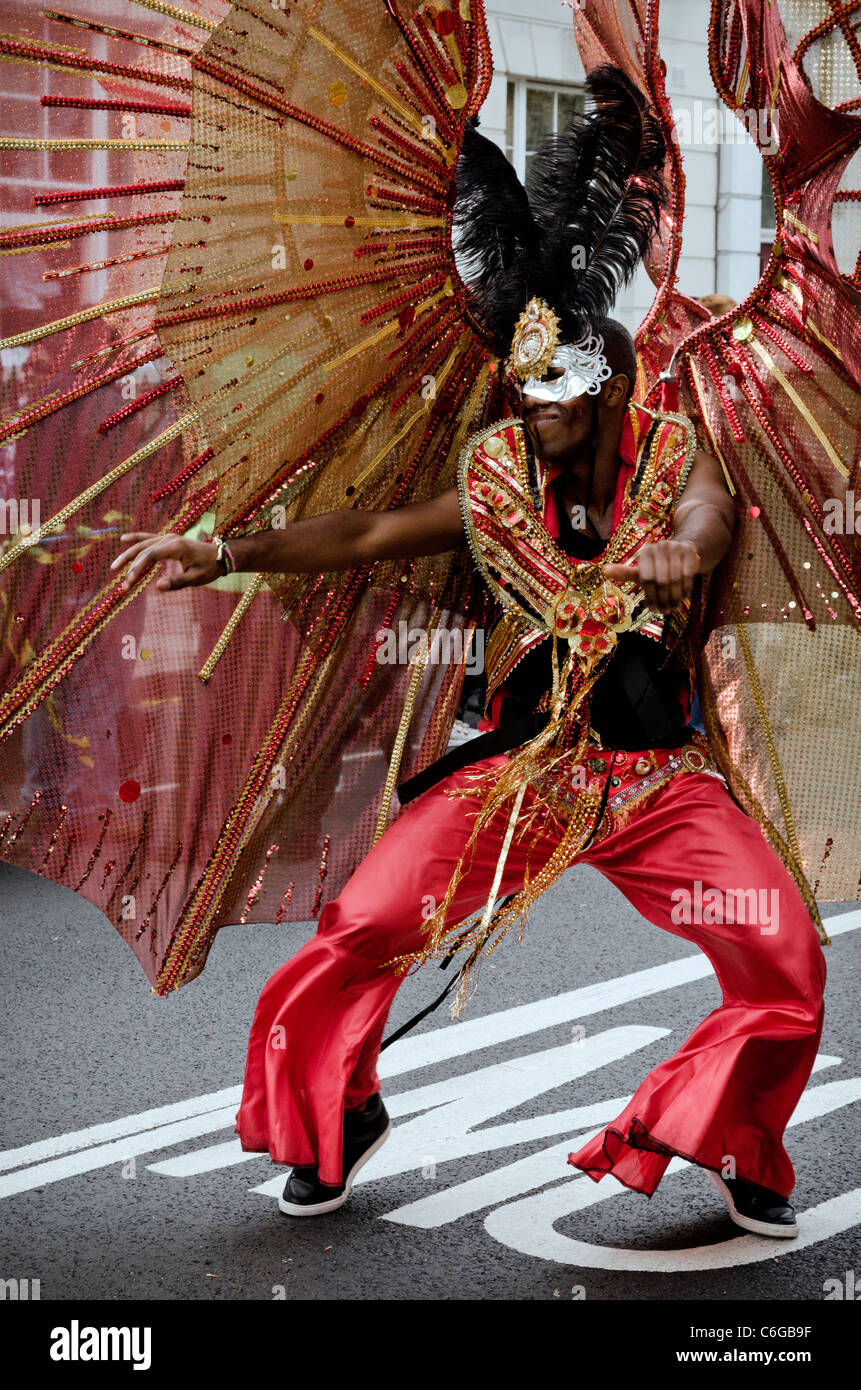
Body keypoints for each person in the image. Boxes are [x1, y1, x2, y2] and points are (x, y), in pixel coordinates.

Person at [110, 308, 826, 1237]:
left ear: (609, 391)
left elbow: (708, 517)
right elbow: (370, 534)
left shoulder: (676, 458)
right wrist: (222, 554)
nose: (533, 407)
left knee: (783, 953)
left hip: (654, 784)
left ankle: (728, 1136)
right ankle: (343, 1111)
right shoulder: (494, 476)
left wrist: (682, 551)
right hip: (518, 777)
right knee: (364, 923)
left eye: (555, 391)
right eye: (525, 390)